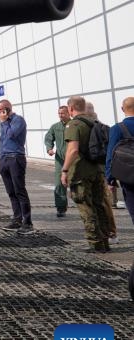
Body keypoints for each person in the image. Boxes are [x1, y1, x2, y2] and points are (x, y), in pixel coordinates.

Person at [61, 96, 111, 252]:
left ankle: (95, 243)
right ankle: (105, 241)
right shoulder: (95, 123)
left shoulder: (74, 124)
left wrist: (64, 170)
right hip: (97, 170)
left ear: (71, 108)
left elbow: (73, 149)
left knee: (86, 207)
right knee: (99, 205)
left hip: (80, 173)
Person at [0, 99, 32, 233]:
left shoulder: (18, 120)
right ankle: (17, 219)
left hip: (15, 158)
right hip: (4, 158)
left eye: (0, 110)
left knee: (19, 190)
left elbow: (11, 135)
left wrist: (5, 121)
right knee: (11, 191)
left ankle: (27, 222)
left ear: (6, 109)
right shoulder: (4, 123)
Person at [107, 97, 134, 224]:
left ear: (122, 109)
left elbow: (111, 155)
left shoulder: (117, 128)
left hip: (128, 176)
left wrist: (110, 179)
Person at [45, 105, 72, 217]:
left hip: (74, 159)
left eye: (63, 113)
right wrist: (49, 148)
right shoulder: (55, 127)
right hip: (60, 160)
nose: (61, 115)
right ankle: (61, 208)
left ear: (68, 113)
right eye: (59, 113)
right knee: (59, 184)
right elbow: (48, 137)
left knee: (77, 183)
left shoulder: (74, 125)